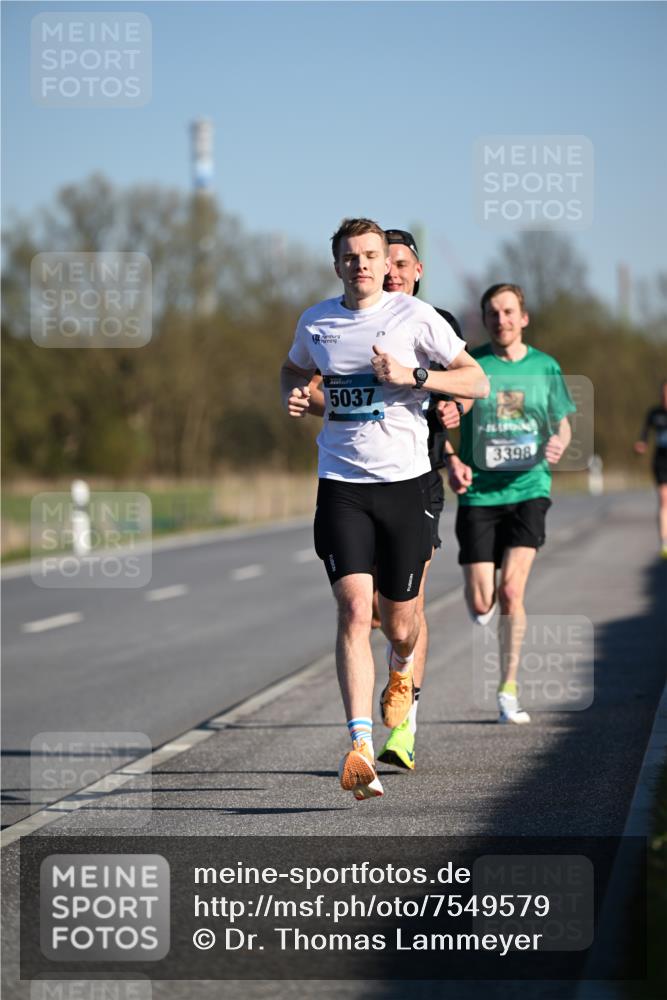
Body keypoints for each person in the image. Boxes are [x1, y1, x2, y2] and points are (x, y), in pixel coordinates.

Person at [280, 218, 488, 799]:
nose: (363, 265)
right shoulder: (316, 321)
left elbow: (477, 383)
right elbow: (295, 368)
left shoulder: (414, 318)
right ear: (337, 264)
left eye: (372, 255)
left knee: (400, 624)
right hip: (341, 486)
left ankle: (402, 671)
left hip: (405, 486)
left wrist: (414, 375)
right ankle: (360, 746)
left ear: (384, 261)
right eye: (351, 257)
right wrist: (293, 392)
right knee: (353, 612)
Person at [443, 283, 575, 724]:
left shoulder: (546, 367)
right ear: (484, 319)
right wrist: (452, 456)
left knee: (512, 591)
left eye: (508, 311)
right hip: (480, 491)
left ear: (523, 317)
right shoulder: (472, 364)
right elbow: (447, 416)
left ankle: (507, 690)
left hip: (528, 489)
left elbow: (563, 425)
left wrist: (558, 442)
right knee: (483, 603)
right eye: (492, 313)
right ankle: (481, 603)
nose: (501, 320)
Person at [633, 379, 667, 558]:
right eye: (664, 394)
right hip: (661, 461)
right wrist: (641, 444)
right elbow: (644, 434)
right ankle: (664, 542)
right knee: (664, 499)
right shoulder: (655, 413)